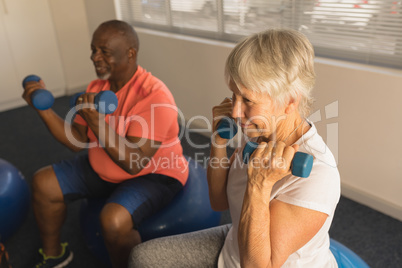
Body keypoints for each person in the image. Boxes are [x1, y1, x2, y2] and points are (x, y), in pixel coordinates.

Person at [129, 29, 340, 267]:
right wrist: (219, 142)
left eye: (248, 100)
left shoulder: (320, 176)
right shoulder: (258, 131)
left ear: (290, 100)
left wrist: (260, 184)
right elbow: (218, 202)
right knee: (142, 257)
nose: (236, 112)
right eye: (234, 95)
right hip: (234, 244)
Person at [22, 20, 188, 268]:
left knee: (113, 221)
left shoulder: (155, 97)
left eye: (104, 52)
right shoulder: (97, 87)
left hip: (154, 173)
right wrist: (42, 109)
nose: (95, 58)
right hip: (105, 165)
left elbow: (134, 163)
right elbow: (77, 141)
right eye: (93, 50)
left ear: (130, 54)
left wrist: (96, 121)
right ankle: (54, 255)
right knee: (43, 183)